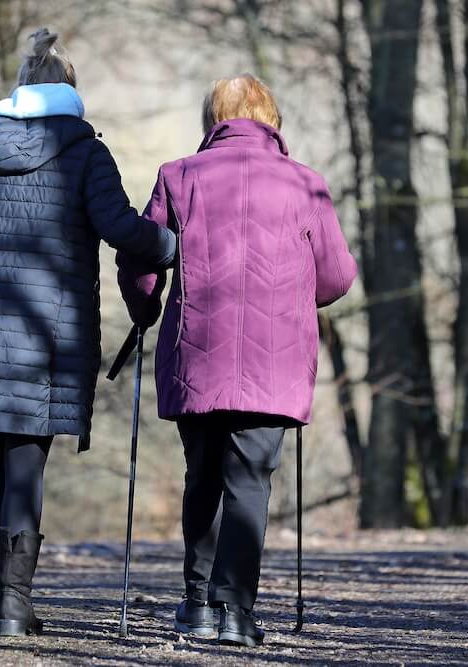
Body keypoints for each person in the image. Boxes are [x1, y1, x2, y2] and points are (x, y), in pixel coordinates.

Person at [0, 28, 176, 637]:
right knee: (26, 466)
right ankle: (13, 603)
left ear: (21, 88)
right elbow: (119, 227)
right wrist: (172, 246)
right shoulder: (85, 152)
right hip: (46, 335)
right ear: (71, 91)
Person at [117, 74, 357, 647]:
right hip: (275, 361)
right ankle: (237, 613)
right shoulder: (307, 184)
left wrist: (146, 308)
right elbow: (336, 277)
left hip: (196, 353)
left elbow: (141, 258)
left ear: (213, 121)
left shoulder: (178, 176)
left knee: (201, 477)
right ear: (272, 120)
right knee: (250, 481)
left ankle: (197, 603)